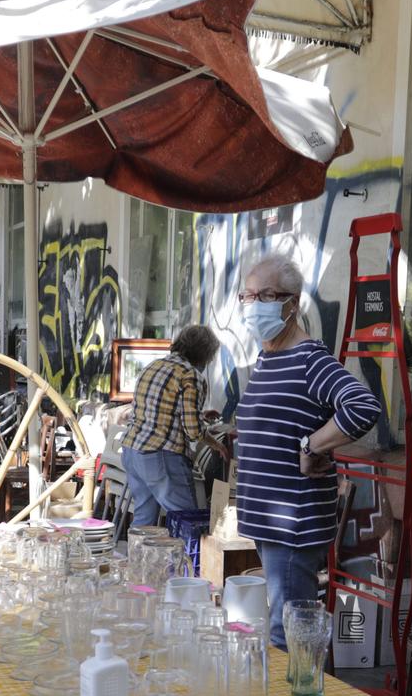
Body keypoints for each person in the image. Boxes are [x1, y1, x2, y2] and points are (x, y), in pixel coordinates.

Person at [231, 252, 383, 647]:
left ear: (292, 303)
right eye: (247, 296)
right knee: (284, 623)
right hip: (269, 522)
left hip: (293, 522)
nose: (253, 306)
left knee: (288, 631)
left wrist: (312, 444)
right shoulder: (270, 357)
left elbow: (363, 406)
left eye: (265, 295)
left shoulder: (309, 359)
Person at [124, 323, 225, 527]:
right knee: (186, 522)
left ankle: (137, 559)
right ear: (204, 353)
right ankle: (186, 560)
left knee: (144, 520)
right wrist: (217, 444)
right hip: (161, 456)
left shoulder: (154, 366)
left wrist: (201, 415)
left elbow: (158, 409)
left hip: (132, 452)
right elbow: (193, 431)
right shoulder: (191, 375)